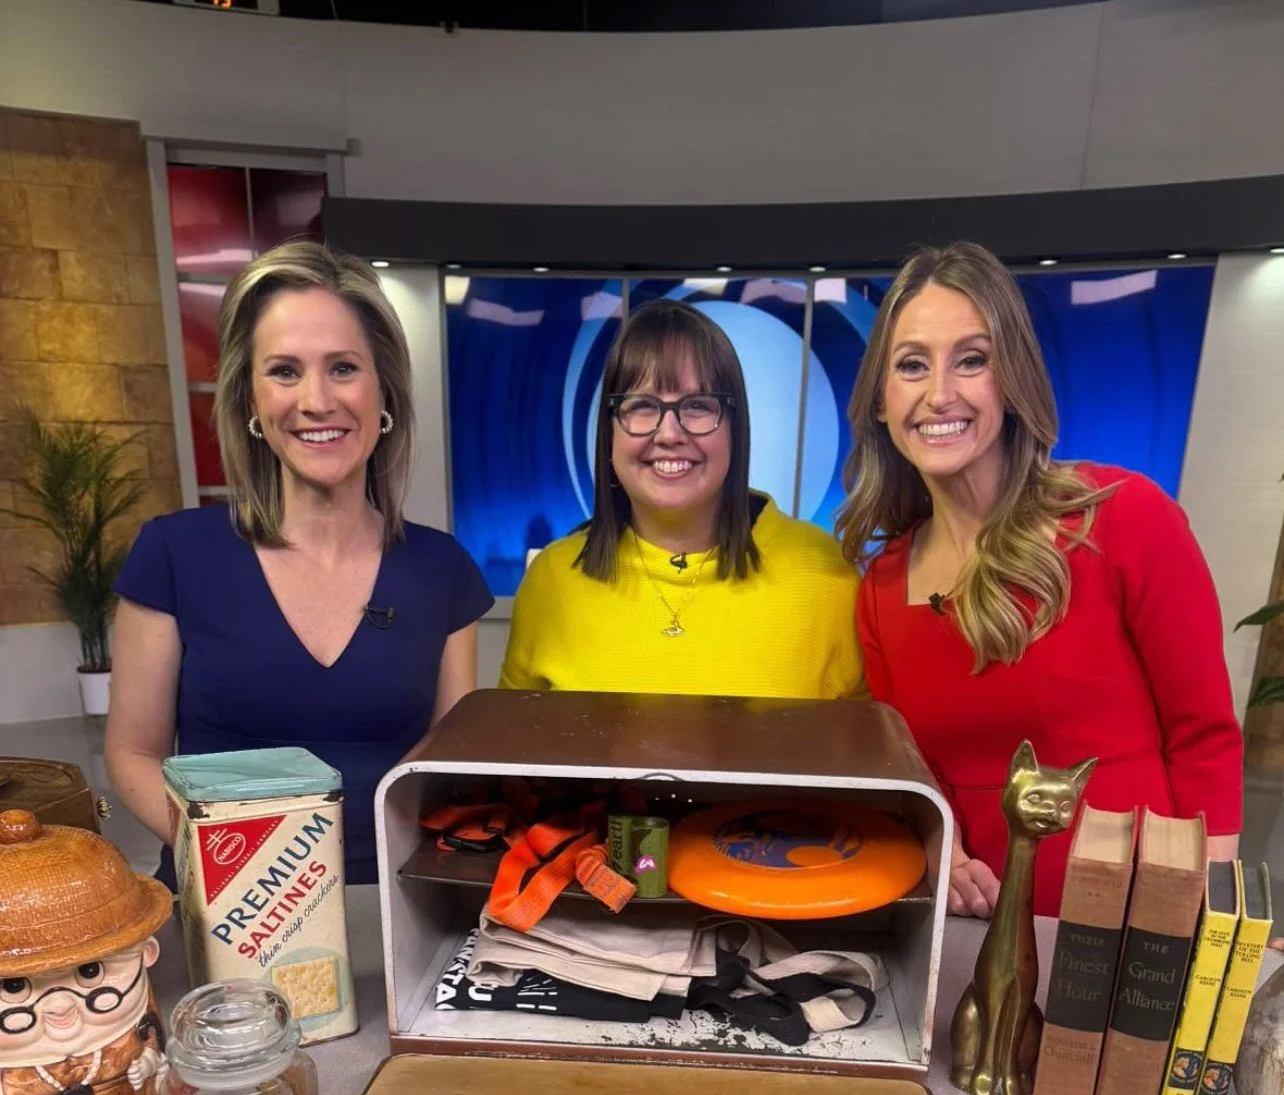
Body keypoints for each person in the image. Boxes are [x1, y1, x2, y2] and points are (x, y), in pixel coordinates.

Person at [839, 241, 1242, 919]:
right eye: (911, 365)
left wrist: (1207, 920)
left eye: (972, 360)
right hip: (971, 928)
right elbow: (916, 776)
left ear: (1013, 379)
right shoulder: (881, 588)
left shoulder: (1124, 516)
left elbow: (1204, 738)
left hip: (1134, 925)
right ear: (881, 400)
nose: (940, 393)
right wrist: (944, 854)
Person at [107, 242, 492, 886]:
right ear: (250, 400)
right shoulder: (172, 555)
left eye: (343, 367)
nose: (316, 400)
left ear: (384, 390)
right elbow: (132, 753)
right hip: (224, 898)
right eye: (284, 371)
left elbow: (443, 773)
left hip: (391, 900)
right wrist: (247, 874)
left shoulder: (444, 571)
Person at [499, 299, 865, 700]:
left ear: (735, 427)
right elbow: (516, 734)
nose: (670, 434)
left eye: (697, 406)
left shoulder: (826, 576)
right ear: (609, 432)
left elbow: (863, 737)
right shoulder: (552, 582)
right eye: (642, 406)